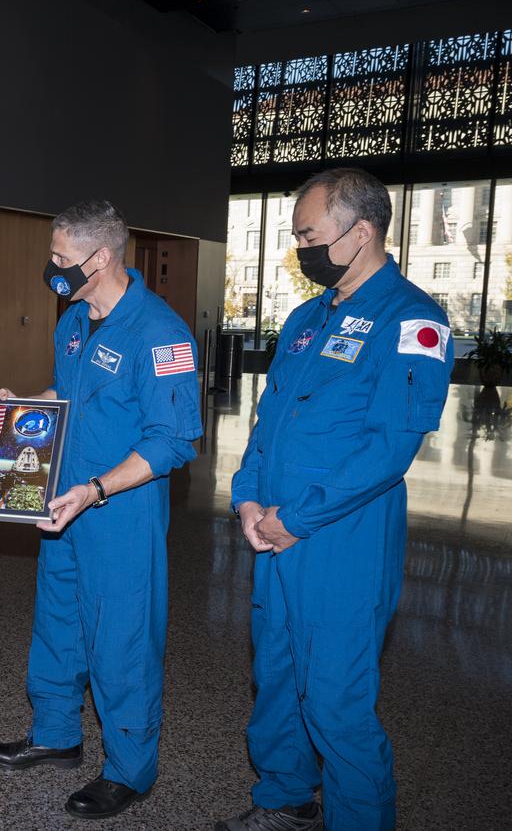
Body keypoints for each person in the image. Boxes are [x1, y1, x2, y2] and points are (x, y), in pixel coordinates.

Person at [217, 168, 453, 831]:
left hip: (342, 540)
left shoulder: (412, 320)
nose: (301, 248)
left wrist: (297, 518)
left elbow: (389, 449)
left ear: (362, 231)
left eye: (309, 235)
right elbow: (268, 423)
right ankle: (286, 799)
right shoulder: (305, 318)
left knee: (335, 701)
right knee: (276, 679)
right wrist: (247, 500)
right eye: (297, 236)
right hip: (275, 533)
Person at [0, 200, 202, 820]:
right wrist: (26, 408)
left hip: (118, 514)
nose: (51, 267)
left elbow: (171, 442)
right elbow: (69, 393)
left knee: (121, 640)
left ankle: (129, 770)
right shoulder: (75, 319)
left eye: (61, 257)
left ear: (101, 257)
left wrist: (96, 490)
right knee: (58, 624)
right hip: (64, 503)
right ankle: (56, 734)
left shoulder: (160, 334)